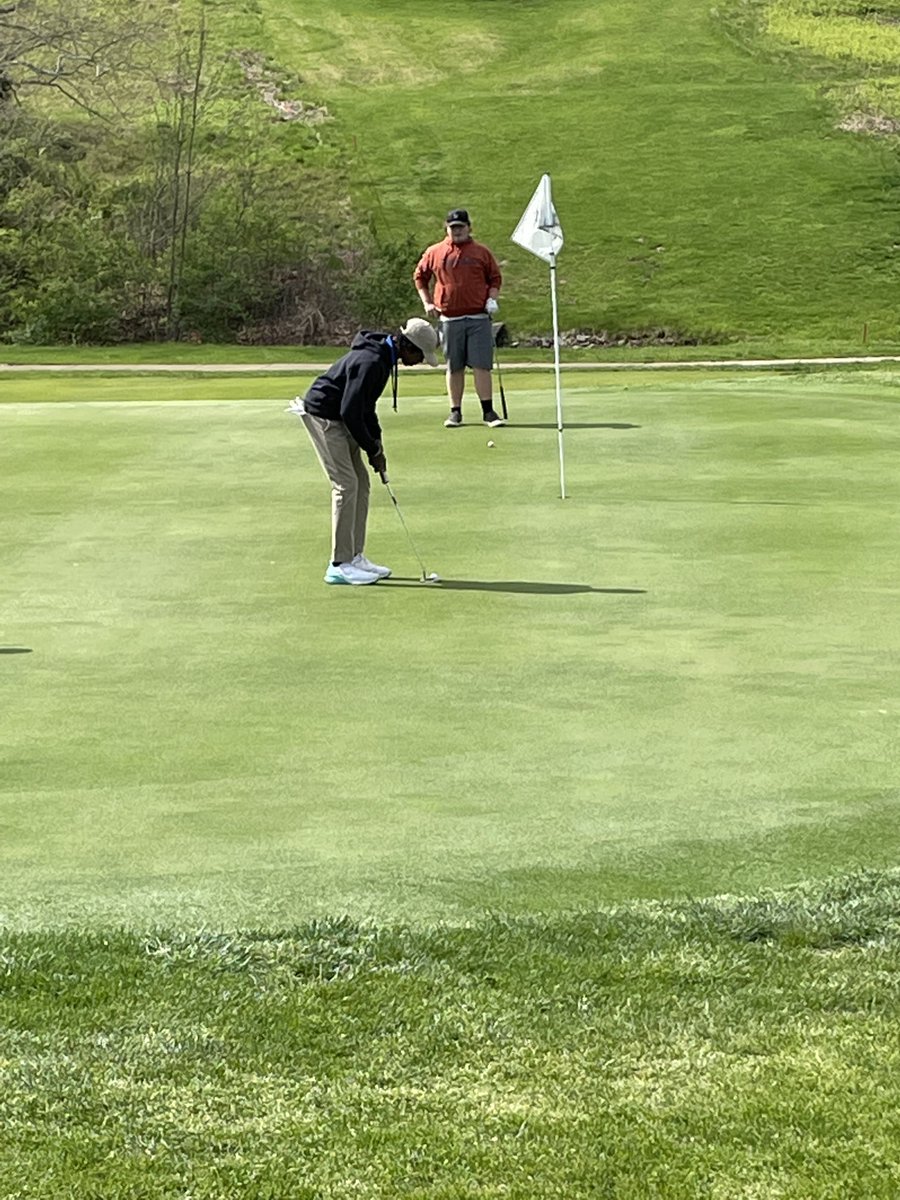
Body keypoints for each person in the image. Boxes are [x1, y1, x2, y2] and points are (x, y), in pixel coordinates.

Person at [288, 318, 439, 585]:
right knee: (346, 485)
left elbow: (365, 408)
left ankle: (355, 556)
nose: (419, 362)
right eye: (420, 355)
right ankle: (339, 564)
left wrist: (377, 443)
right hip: (324, 417)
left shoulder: (383, 358)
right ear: (408, 346)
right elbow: (351, 411)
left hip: (341, 417)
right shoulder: (372, 362)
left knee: (362, 483)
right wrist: (371, 449)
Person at [413, 208, 505, 429]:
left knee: (482, 365)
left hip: (478, 317)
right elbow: (420, 277)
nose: (457, 231)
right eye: (453, 228)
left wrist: (492, 299)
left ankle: (488, 412)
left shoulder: (481, 252)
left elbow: (494, 278)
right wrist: (427, 302)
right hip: (449, 318)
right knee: (454, 367)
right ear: (447, 228)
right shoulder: (435, 252)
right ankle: (455, 412)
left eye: (461, 227)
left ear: (469, 228)